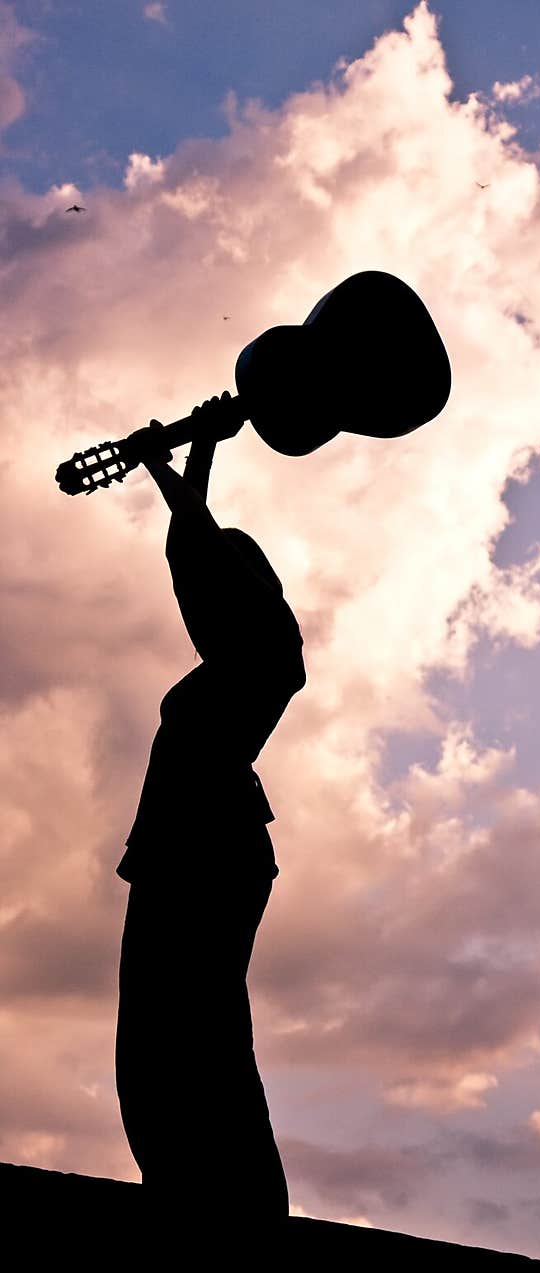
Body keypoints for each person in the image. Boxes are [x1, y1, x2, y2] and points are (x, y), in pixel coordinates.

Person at [115, 392, 305, 1227]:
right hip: (195, 850)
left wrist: (174, 462)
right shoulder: (244, 664)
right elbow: (200, 562)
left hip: (203, 850)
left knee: (186, 1031)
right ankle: (204, 1191)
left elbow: (200, 554)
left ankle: (224, 1204)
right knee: (173, 1034)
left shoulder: (254, 666)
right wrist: (185, 457)